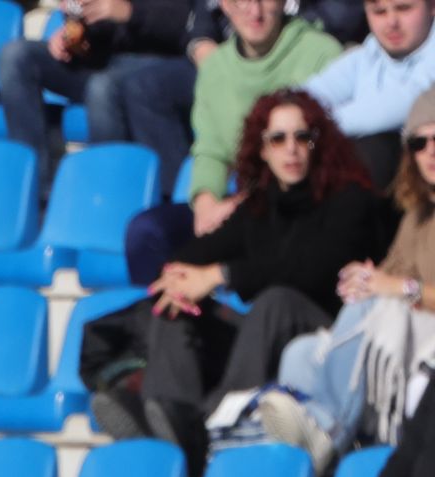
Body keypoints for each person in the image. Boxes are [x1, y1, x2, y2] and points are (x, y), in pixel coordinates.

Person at [120, 91, 395, 475]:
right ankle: (166, 417)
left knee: (276, 301)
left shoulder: (349, 199)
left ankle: (209, 426)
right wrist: (177, 277)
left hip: (330, 338)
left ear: (319, 144)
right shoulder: (259, 205)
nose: (292, 149)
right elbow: (197, 251)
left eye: (303, 137)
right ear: (262, 150)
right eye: (278, 139)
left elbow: (312, 269)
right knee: (177, 303)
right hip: (266, 335)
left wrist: (221, 274)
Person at [123, 0, 340, 283]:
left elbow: (323, 150)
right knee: (147, 232)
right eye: (241, 0)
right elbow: (211, 150)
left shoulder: (322, 54)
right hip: (239, 208)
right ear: (223, 5)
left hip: (295, 205)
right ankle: (175, 322)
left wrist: (244, 202)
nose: (255, 11)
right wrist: (205, 203)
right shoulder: (216, 68)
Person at [272, 86, 435, 458]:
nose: (430, 151)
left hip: (426, 340)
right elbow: (387, 278)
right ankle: (298, 462)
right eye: (418, 143)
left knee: (373, 313)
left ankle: (327, 431)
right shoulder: (418, 214)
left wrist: (397, 288)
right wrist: (364, 280)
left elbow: (399, 287)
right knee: (300, 353)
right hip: (409, 335)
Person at [0, 0, 205, 186]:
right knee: (15, 56)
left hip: (155, 63)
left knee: (101, 87)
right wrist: (71, 36)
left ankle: (108, 189)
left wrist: (129, 12)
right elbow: (86, 18)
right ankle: (35, 187)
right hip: (99, 61)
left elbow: (186, 26)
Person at [305, 0, 435, 186]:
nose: (391, 22)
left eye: (404, 8)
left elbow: (396, 107)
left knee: (376, 149)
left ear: (432, 6)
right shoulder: (368, 54)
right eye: (379, 12)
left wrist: (315, 125)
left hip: (413, 188)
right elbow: (303, 98)